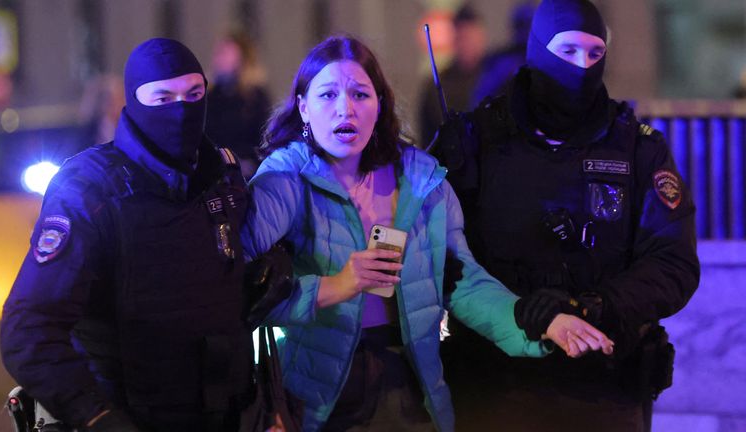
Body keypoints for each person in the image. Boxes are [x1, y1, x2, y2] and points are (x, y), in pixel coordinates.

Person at [240, 35, 613, 432]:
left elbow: (463, 281)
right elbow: (238, 287)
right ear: (303, 107)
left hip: (410, 385)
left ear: (379, 104)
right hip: (315, 397)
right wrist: (337, 285)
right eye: (328, 95)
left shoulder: (421, 180)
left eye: (360, 95)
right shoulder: (284, 179)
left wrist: (539, 323)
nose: (344, 109)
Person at [431, 1, 700, 431]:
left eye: (595, 54)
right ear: (538, 50)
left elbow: (673, 263)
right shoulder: (475, 140)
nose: (582, 66)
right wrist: (518, 311)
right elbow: (440, 255)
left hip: (604, 385)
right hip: (494, 385)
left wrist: (593, 307)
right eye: (568, 51)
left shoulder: (636, 148)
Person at [0, 38, 257, 431]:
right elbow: (29, 330)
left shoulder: (222, 178)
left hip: (227, 415)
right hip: (131, 415)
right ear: (134, 102)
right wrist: (97, 416)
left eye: (194, 93)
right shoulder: (89, 190)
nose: (181, 110)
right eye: (162, 97)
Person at [418, 4, 488, 147]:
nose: (467, 44)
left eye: (471, 37)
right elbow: (428, 138)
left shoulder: (497, 75)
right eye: (463, 38)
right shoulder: (437, 86)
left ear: (482, 37)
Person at [205, 32, 271, 180]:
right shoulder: (209, 95)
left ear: (242, 58)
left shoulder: (254, 97)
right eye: (219, 52)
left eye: (226, 52)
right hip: (214, 169)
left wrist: (248, 161)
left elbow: (262, 137)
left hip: (246, 170)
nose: (219, 58)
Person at [470, 1, 534, 107]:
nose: (524, 31)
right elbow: (481, 95)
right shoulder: (502, 61)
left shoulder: (541, 60)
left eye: (528, 25)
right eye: (521, 25)